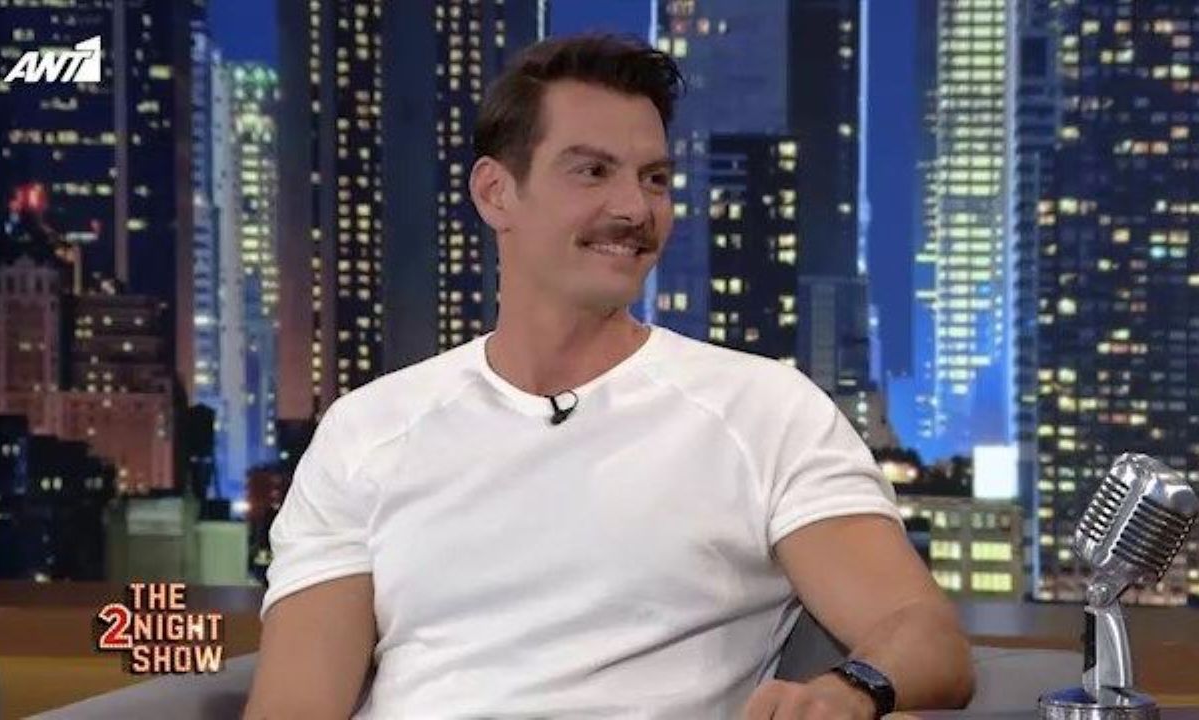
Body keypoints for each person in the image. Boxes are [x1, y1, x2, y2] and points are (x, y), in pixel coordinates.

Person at [244, 34, 974, 719]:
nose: (634, 209)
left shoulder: (762, 412)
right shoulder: (367, 431)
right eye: (592, 171)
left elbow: (924, 634)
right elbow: (295, 706)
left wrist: (848, 692)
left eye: (654, 179)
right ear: (496, 193)